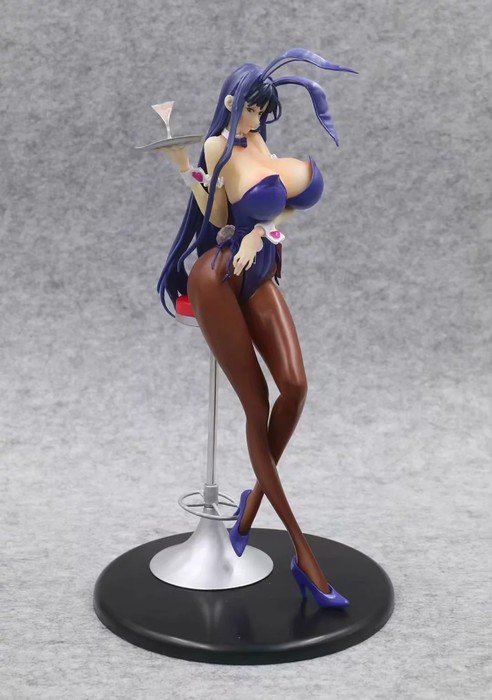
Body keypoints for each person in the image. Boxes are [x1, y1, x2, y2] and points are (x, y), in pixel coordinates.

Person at [157, 48, 356, 608]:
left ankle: (249, 509)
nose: (256, 117)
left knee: (295, 387)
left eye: (263, 110)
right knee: (257, 404)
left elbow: (276, 210)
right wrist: (184, 167)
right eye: (250, 108)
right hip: (217, 277)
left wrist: (258, 233)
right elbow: (217, 215)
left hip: (260, 268)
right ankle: (303, 555)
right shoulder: (219, 146)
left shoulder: (263, 146)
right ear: (232, 103)